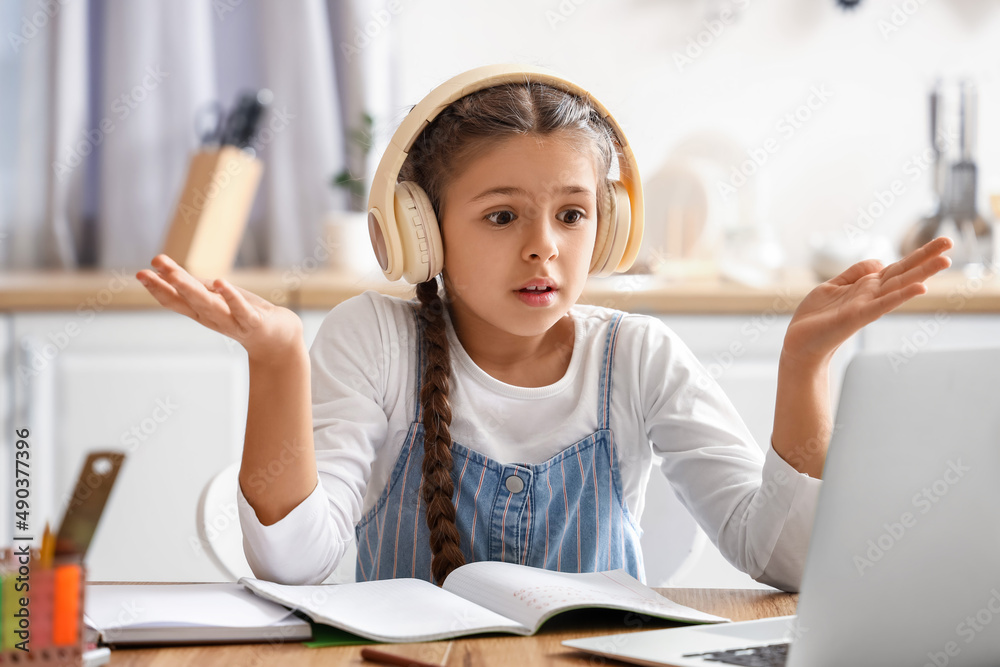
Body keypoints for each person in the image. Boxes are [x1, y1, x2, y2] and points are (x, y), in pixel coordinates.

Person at [136, 67, 953, 592]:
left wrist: (804, 364)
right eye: (501, 215)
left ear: (610, 225)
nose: (544, 246)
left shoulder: (637, 355)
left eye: (573, 214)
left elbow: (788, 562)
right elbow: (295, 561)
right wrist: (277, 360)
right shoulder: (374, 340)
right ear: (421, 231)